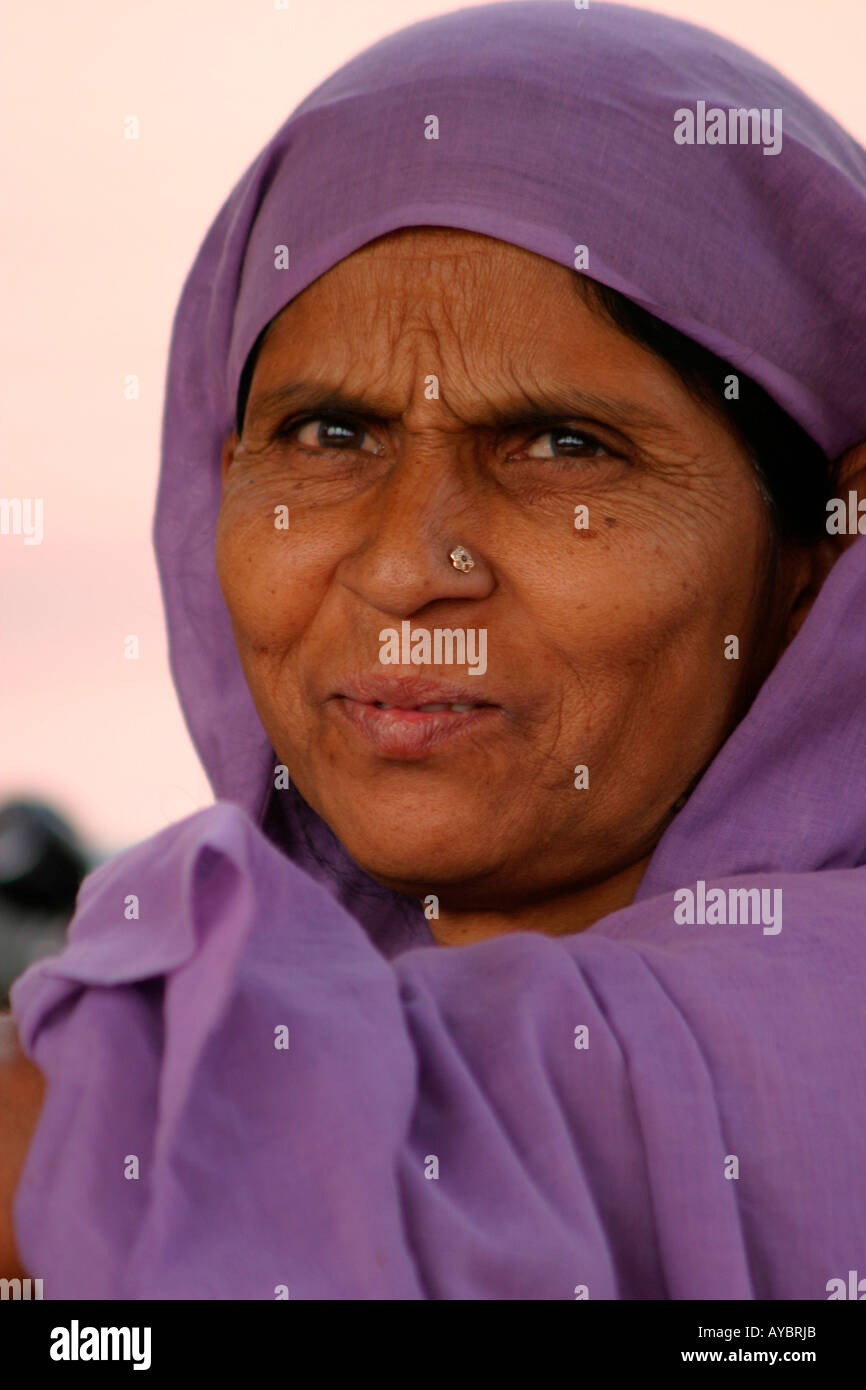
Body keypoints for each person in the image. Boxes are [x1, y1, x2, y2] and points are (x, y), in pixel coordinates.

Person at [2, 0, 865, 1299]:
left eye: (564, 448)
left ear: (821, 549)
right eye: (328, 436)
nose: (408, 564)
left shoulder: (821, 1027)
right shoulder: (190, 996)